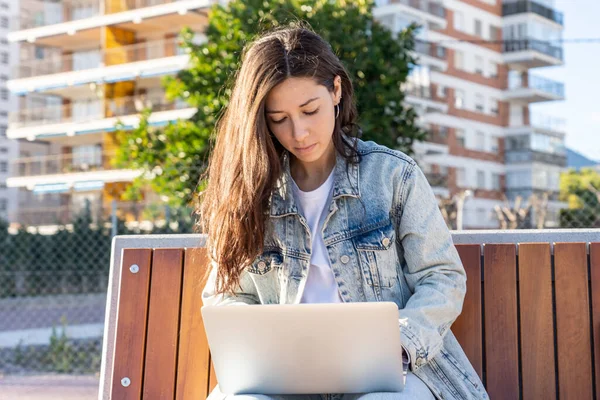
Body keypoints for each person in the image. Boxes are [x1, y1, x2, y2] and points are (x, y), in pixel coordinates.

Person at [200, 24, 489, 400]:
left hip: (394, 375)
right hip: (286, 378)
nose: (299, 132)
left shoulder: (392, 176)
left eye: (309, 110)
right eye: (279, 119)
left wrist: (398, 345)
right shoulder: (251, 194)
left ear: (335, 90)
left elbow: (442, 278)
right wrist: (259, 348)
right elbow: (224, 295)